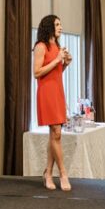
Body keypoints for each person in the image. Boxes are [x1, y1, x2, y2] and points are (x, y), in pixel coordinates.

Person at [33, 14, 72, 192]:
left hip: (57, 90)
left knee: (55, 134)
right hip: (46, 92)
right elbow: (37, 72)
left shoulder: (56, 46)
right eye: (57, 24)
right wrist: (57, 60)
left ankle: (48, 173)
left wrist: (65, 64)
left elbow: (56, 72)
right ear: (49, 26)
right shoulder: (41, 47)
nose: (61, 27)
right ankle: (63, 173)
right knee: (56, 132)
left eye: (60, 24)